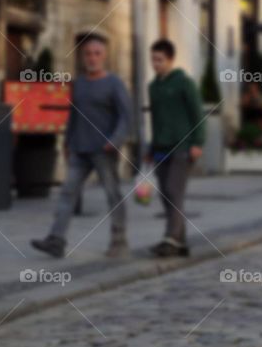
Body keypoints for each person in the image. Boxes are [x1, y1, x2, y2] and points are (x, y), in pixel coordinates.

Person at [31, 34, 132, 260]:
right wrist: (67, 142)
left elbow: (126, 117)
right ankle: (56, 240)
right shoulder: (78, 84)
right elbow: (73, 116)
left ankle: (119, 241)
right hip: (79, 149)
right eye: (88, 54)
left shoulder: (114, 83)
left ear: (104, 57)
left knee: (112, 195)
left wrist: (114, 141)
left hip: (104, 151)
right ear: (82, 57)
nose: (92, 58)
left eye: (97, 54)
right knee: (68, 193)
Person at [146, 39, 206, 257]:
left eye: (159, 60)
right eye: (153, 59)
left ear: (170, 59)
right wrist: (150, 147)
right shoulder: (153, 87)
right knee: (165, 194)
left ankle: (170, 238)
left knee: (174, 190)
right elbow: (155, 118)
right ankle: (180, 241)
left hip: (183, 146)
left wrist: (198, 142)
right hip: (161, 146)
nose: (155, 64)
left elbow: (197, 114)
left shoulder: (184, 82)